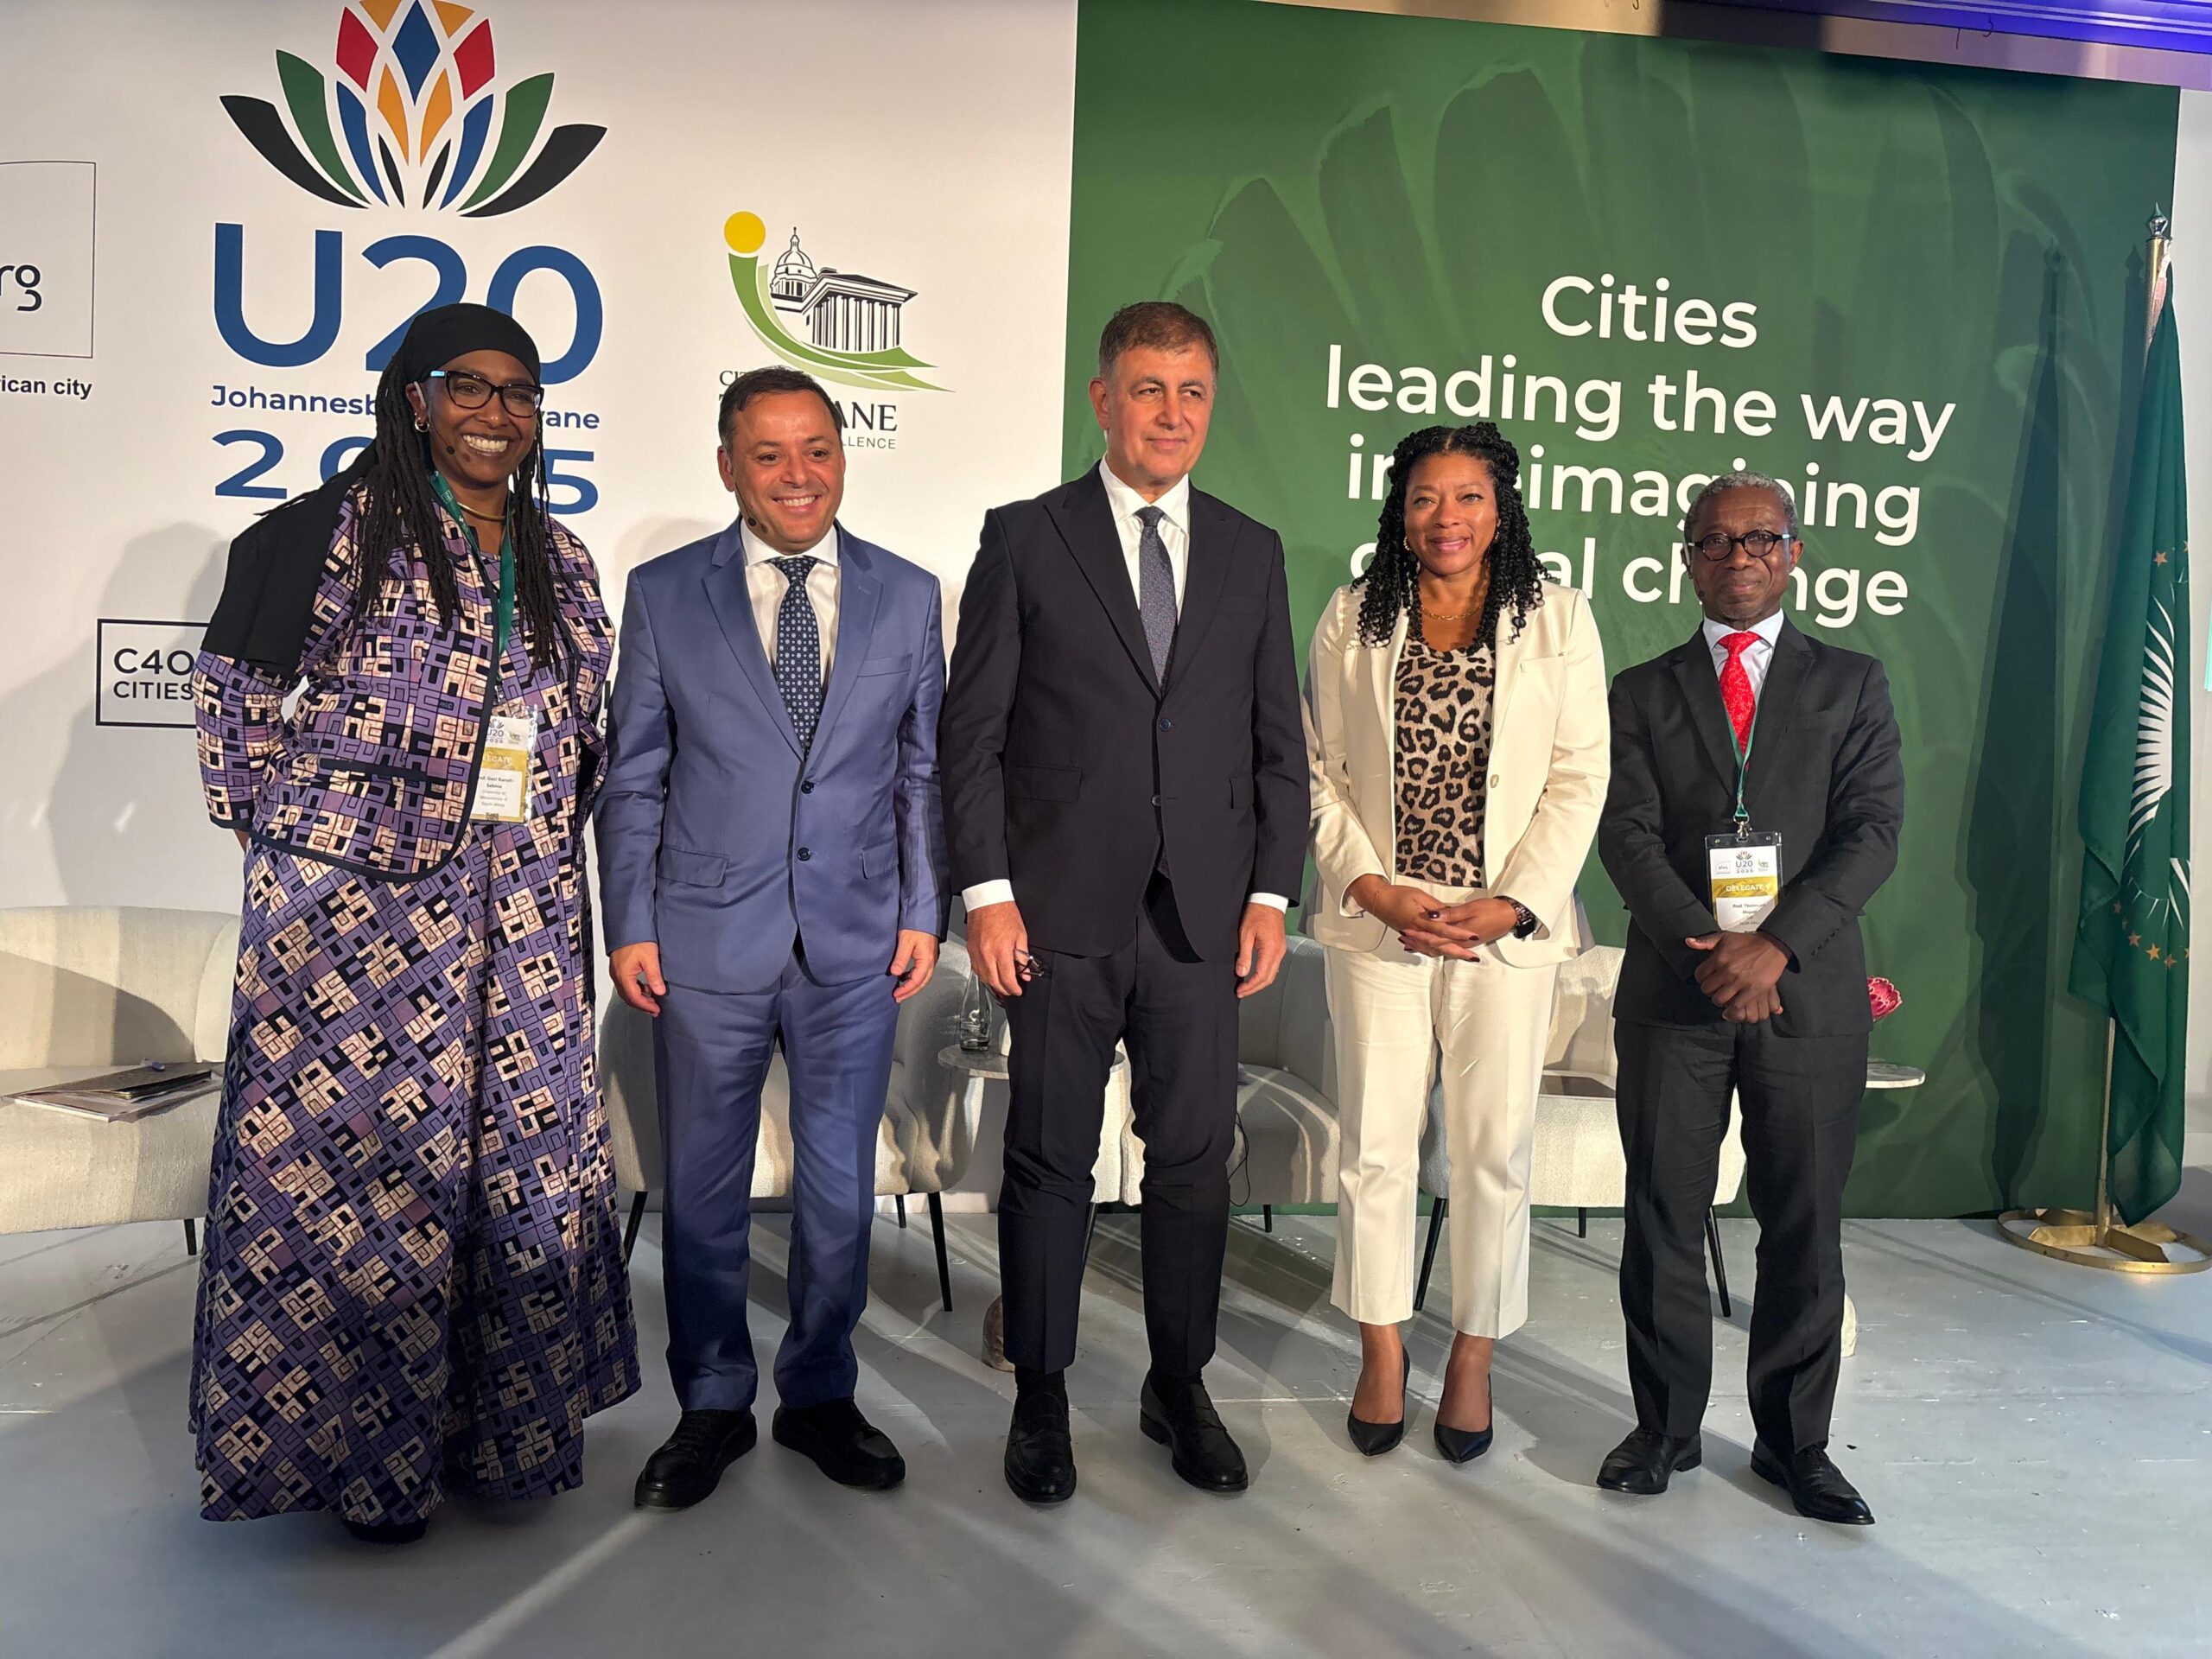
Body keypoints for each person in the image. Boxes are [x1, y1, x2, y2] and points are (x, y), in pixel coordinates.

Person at [188, 303, 637, 1543]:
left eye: (520, 393)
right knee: (362, 1188)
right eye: (470, 386)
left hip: (525, 915)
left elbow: (582, 733)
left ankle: (498, 1443)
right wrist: (310, 851)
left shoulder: (562, 556)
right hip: (357, 924)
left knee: (515, 1174)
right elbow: (234, 707)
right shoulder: (330, 529)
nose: (498, 413)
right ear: (416, 398)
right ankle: (363, 1468)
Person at [940, 302, 1307, 1503]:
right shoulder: (1026, 537)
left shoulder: (1251, 550)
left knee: (1193, 1159)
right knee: (1049, 1156)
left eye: (1192, 391)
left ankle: (1177, 1385)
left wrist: (1271, 892)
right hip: (1054, 912)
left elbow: (1277, 745)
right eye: (1148, 389)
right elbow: (972, 736)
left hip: (1202, 919)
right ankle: (1040, 1395)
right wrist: (987, 894)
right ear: (1102, 400)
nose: (1171, 413)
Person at [596, 366, 946, 1508]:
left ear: (843, 456)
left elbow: (921, 772)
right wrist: (630, 921)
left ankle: (820, 1395)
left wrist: (922, 907)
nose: (798, 475)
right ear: (728, 467)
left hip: (857, 941)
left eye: (817, 450)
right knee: (703, 1191)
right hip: (703, 939)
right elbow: (633, 774)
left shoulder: (907, 594)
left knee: (839, 1190)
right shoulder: (663, 594)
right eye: (769, 454)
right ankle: (710, 1402)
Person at [1596, 470, 1902, 1525]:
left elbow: (1871, 833)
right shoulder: (1639, 690)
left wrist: (1773, 947)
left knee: (1803, 1223)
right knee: (1663, 1217)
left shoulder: (1851, 683)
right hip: (1674, 994)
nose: (1740, 557)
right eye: (1716, 541)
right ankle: (1664, 1431)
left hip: (1806, 994)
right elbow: (1625, 837)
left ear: (1794, 552)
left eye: (1761, 538)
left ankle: (1794, 1444)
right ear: (1688, 558)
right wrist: (1711, 955)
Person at [1303, 423, 1607, 1462]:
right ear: (1398, 512)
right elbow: (1318, 773)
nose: (1446, 518)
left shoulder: (1559, 618)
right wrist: (1372, 889)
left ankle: (1473, 1357)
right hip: (1380, 924)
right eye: (1426, 498)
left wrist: (1514, 902)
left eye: (1469, 497)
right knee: (1375, 1149)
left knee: (1489, 1154)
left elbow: (1579, 777)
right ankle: (1381, 1351)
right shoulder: (1352, 616)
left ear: (1501, 507)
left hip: (1500, 934)